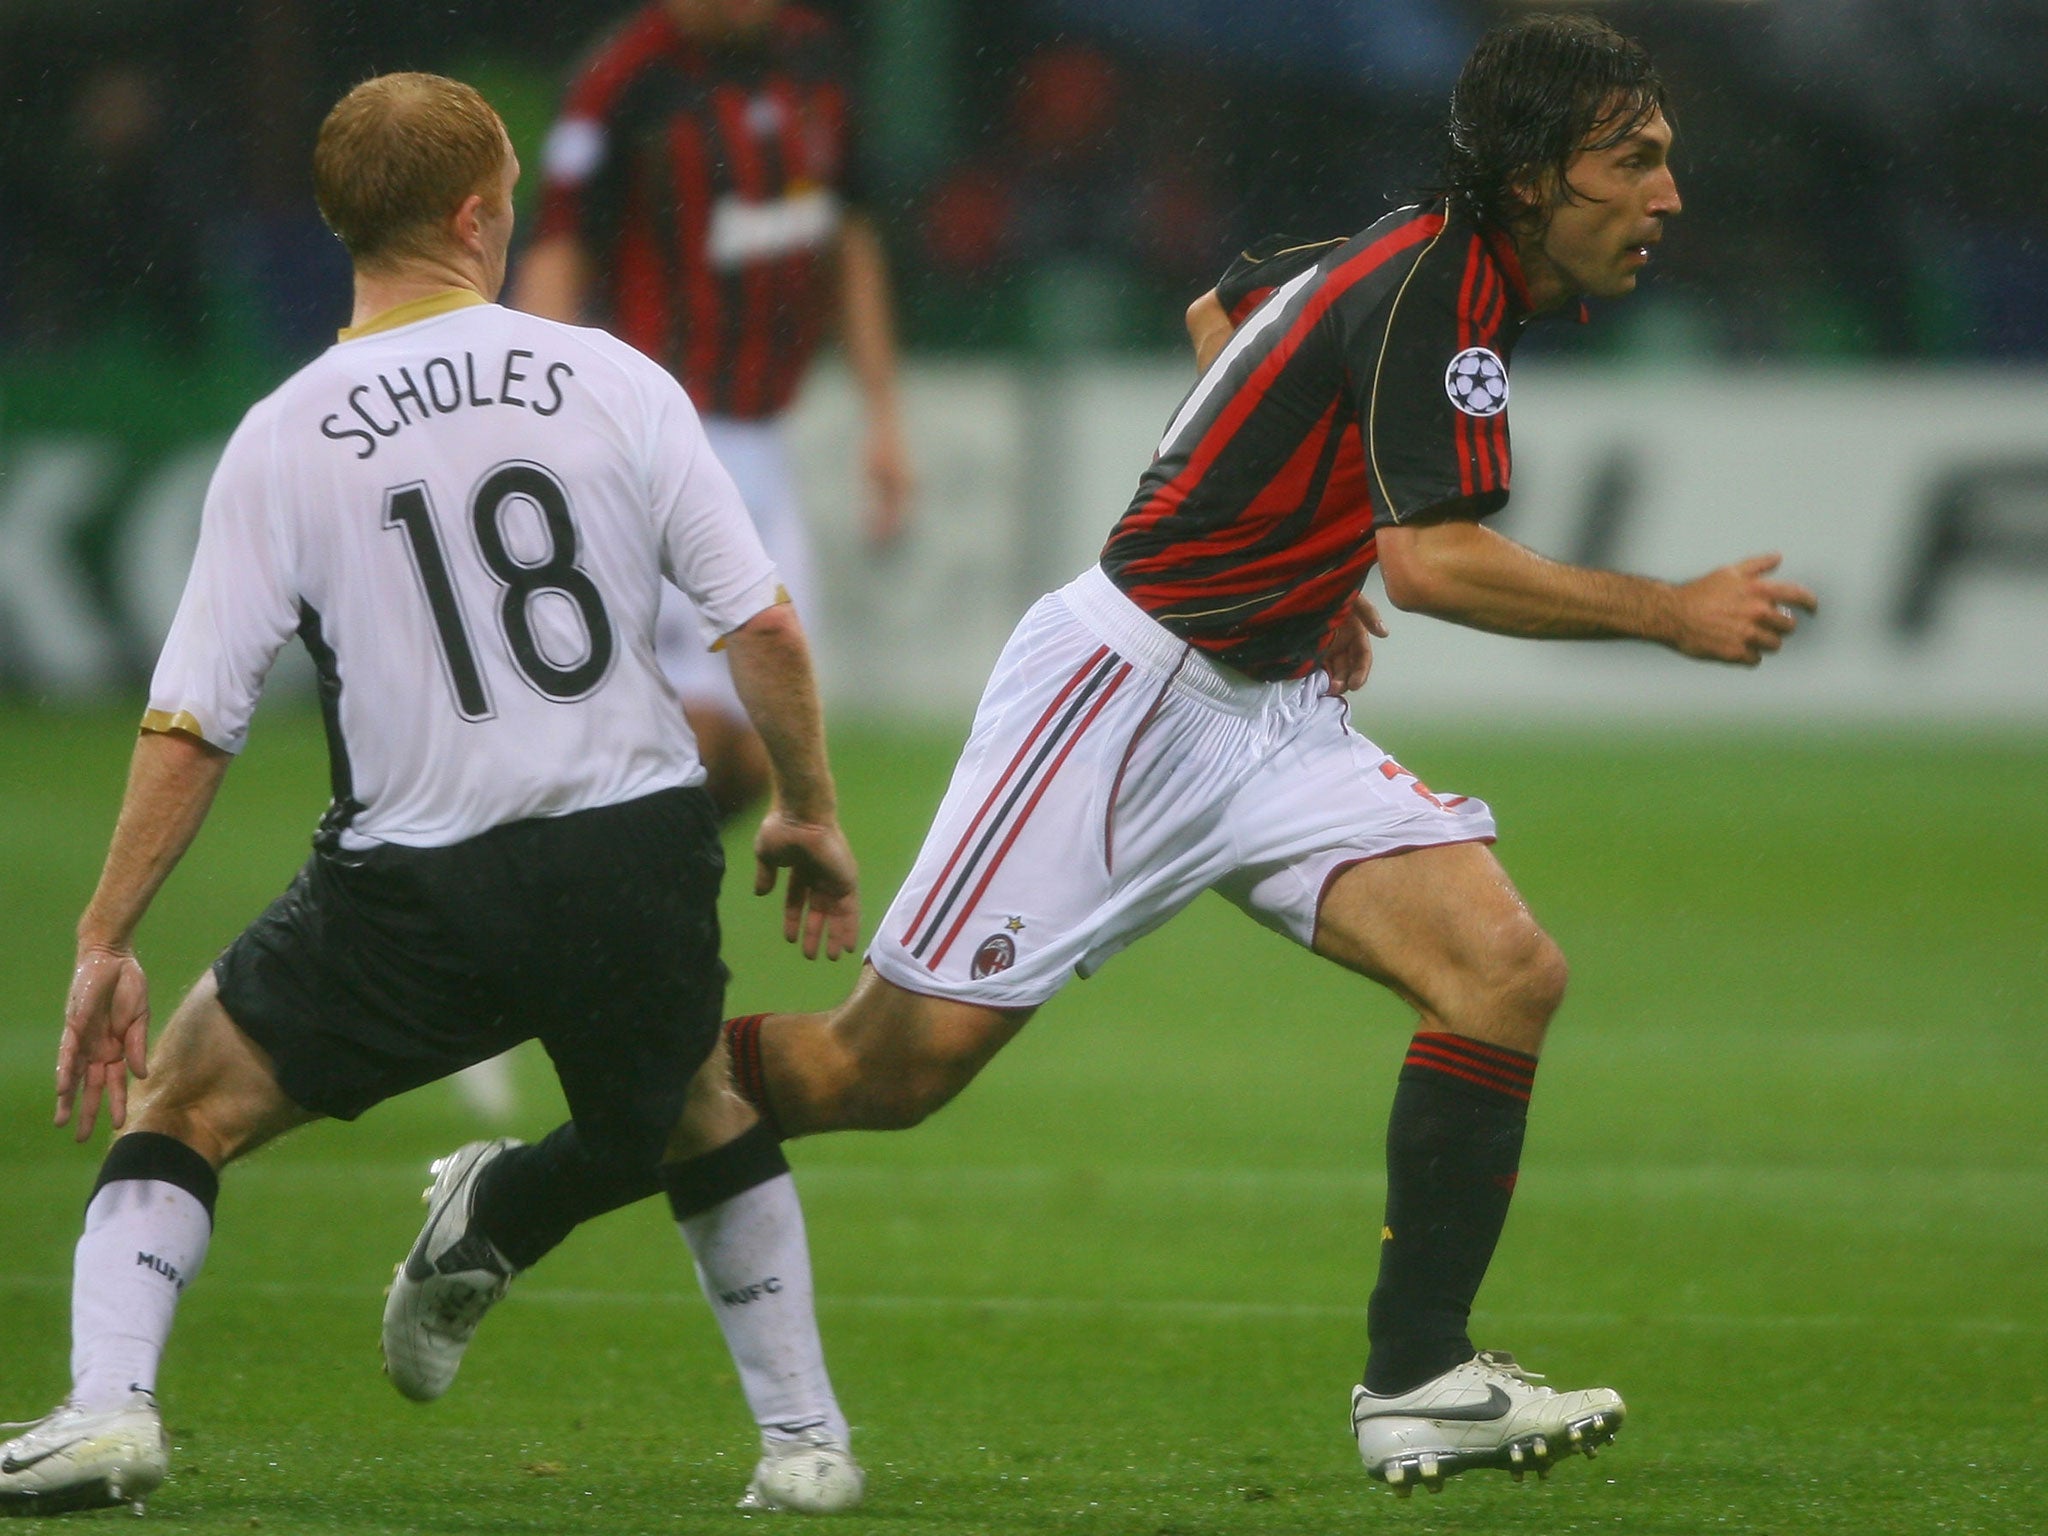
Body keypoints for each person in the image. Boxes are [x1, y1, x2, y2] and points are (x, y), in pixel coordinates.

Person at [712, 13, 1818, 1497]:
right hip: (1125, 694)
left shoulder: (1420, 252)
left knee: (1504, 971)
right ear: (1540, 175)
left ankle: (1419, 1378)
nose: (1667, 198)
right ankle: (549, 1166)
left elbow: (1221, 316)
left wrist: (1302, 554)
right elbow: (1434, 565)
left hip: (1264, 705)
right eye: (1637, 162)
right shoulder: (1439, 285)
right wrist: (1669, 613)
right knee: (887, 1071)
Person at [0, 73, 865, 1518]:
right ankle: (806, 1444)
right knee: (699, 1107)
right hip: (633, 854)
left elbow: (190, 722)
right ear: (477, 216)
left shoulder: (284, 432)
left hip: (422, 886)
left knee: (188, 1101)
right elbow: (762, 628)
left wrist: (107, 935)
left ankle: (110, 1409)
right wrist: (808, 811)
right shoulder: (612, 376)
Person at [516, 0, 912, 820]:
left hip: (767, 440)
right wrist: (529, 426)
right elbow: (557, 252)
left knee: (758, 753)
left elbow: (851, 240)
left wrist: (884, 419)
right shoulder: (623, 83)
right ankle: (590, 909)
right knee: (687, 736)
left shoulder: (816, 65)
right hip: (657, 442)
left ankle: (619, 911)